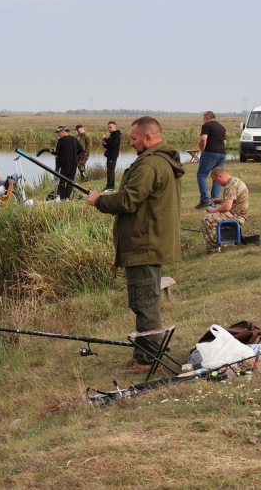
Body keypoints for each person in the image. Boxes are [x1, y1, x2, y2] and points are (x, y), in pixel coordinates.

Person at [87, 116, 185, 375]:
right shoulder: (161, 160)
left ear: (149, 138)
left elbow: (129, 201)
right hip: (150, 241)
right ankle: (145, 353)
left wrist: (98, 201)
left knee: (144, 301)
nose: (130, 143)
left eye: (134, 138)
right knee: (146, 299)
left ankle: (148, 360)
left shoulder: (150, 164)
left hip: (144, 243)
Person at [200, 167, 248, 255]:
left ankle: (213, 250)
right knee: (210, 218)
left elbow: (227, 207)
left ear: (220, 176)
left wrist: (213, 210)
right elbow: (232, 200)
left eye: (216, 180)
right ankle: (219, 243)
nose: (216, 183)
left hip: (237, 215)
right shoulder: (235, 181)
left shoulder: (231, 186)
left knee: (207, 219)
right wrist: (217, 201)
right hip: (238, 213)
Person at [195, 111, 227, 209]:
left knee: (201, 175)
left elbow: (204, 138)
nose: (204, 121)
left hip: (210, 152)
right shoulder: (222, 127)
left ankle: (205, 200)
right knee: (217, 177)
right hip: (222, 153)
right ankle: (214, 200)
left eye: (204, 119)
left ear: (208, 118)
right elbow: (224, 142)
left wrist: (203, 149)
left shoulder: (207, 126)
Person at [50, 126, 84, 200]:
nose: (58, 135)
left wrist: (51, 152)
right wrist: (75, 155)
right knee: (71, 180)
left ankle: (61, 197)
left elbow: (57, 153)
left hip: (65, 163)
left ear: (63, 132)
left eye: (59, 133)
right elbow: (81, 149)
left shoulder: (61, 141)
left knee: (63, 179)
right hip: (74, 162)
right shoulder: (74, 139)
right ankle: (67, 197)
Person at [101, 121, 121, 192]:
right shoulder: (112, 135)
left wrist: (105, 139)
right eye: (108, 127)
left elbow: (113, 144)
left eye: (110, 127)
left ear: (115, 127)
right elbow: (109, 146)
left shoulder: (117, 135)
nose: (109, 129)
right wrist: (104, 144)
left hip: (113, 156)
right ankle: (111, 186)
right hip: (109, 155)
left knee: (110, 172)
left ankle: (109, 187)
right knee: (111, 171)